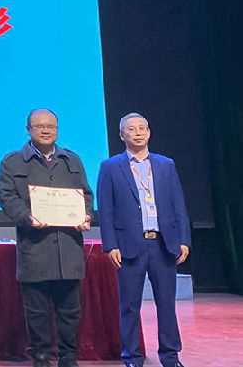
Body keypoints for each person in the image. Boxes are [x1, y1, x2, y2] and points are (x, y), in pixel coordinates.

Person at [0, 109, 92, 367]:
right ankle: (40, 357)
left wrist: (86, 215)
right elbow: (5, 196)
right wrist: (28, 217)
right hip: (35, 247)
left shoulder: (72, 159)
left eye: (51, 126)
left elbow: (86, 195)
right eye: (39, 126)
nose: (46, 130)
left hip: (68, 248)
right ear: (28, 130)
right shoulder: (13, 162)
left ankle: (68, 357)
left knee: (70, 311)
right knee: (36, 313)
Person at [97, 113, 190, 367]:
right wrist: (110, 245)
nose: (137, 133)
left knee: (166, 305)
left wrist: (184, 240)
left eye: (142, 128)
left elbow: (178, 205)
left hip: (163, 244)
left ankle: (170, 356)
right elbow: (106, 209)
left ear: (149, 133)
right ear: (121, 135)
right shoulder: (110, 167)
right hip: (129, 245)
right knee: (129, 306)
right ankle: (132, 356)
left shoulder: (165, 165)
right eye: (131, 129)